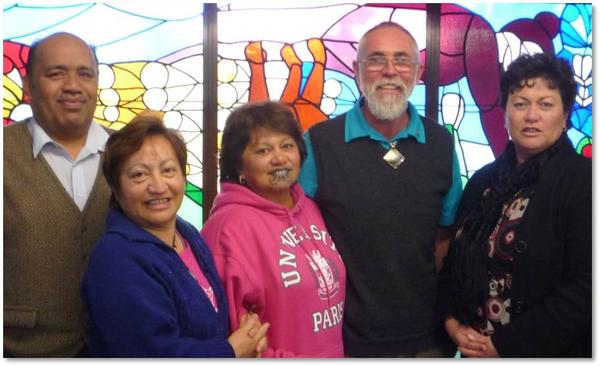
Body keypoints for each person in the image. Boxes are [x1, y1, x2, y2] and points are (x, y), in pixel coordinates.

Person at [297, 22, 463, 357]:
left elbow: (445, 239)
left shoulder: (441, 143)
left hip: (427, 340)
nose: (389, 71)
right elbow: (295, 237)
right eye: (376, 60)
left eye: (402, 60)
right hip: (343, 340)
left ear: (417, 73)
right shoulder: (319, 142)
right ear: (358, 71)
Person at [439, 53, 591, 357]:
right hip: (472, 349)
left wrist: (505, 347)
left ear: (565, 115)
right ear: (506, 113)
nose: (531, 115)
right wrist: (452, 322)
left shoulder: (585, 182)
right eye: (520, 103)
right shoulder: (483, 181)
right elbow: (451, 264)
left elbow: (587, 288)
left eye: (545, 104)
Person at [81, 113, 269, 357]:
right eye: (139, 174)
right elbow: (152, 355)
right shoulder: (116, 260)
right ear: (116, 188)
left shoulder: (186, 232)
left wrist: (246, 332)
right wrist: (231, 351)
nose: (158, 186)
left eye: (169, 170)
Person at [201, 101, 346, 357]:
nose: (279, 158)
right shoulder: (227, 229)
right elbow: (236, 342)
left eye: (287, 146)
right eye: (263, 150)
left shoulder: (310, 208)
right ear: (238, 165)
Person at [4, 32, 112, 357]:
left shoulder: (130, 152)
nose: (73, 86)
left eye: (85, 73)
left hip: (117, 347)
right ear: (28, 86)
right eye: (55, 73)